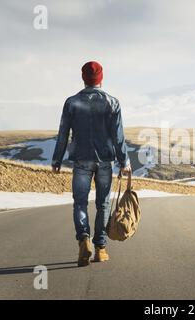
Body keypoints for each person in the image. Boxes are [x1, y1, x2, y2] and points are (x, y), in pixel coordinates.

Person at [51, 61, 131, 267]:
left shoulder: (72, 102)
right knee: (102, 203)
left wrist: (57, 159)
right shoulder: (112, 102)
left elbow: (63, 134)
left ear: (83, 78)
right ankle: (100, 249)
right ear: (101, 78)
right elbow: (118, 136)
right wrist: (124, 161)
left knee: (80, 202)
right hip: (105, 161)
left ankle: (83, 240)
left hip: (81, 160)